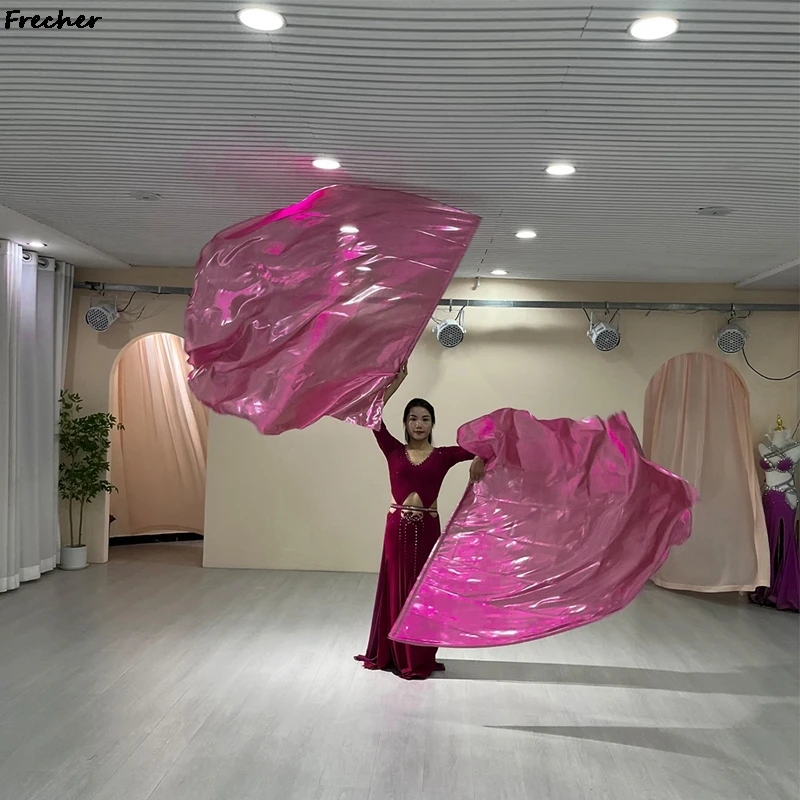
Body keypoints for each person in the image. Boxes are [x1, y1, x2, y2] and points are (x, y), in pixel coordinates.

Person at [355, 363, 485, 679]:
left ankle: (417, 654)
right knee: (397, 588)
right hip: (396, 529)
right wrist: (398, 382)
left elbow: (488, 445)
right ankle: (394, 653)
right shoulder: (393, 450)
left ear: (432, 424)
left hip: (427, 529)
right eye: (413, 418)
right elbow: (372, 415)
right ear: (405, 422)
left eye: (425, 419)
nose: (419, 424)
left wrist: (480, 458)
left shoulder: (443, 455)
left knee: (423, 592)